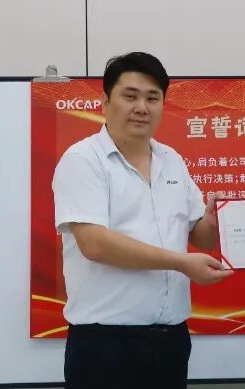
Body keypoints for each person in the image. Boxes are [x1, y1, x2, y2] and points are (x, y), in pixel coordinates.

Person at [52, 52, 232, 389]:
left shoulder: (171, 160)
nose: (141, 107)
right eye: (130, 96)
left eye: (152, 98)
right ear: (105, 102)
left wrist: (213, 219)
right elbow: (94, 243)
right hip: (105, 345)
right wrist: (180, 263)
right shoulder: (83, 160)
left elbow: (201, 236)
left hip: (170, 341)